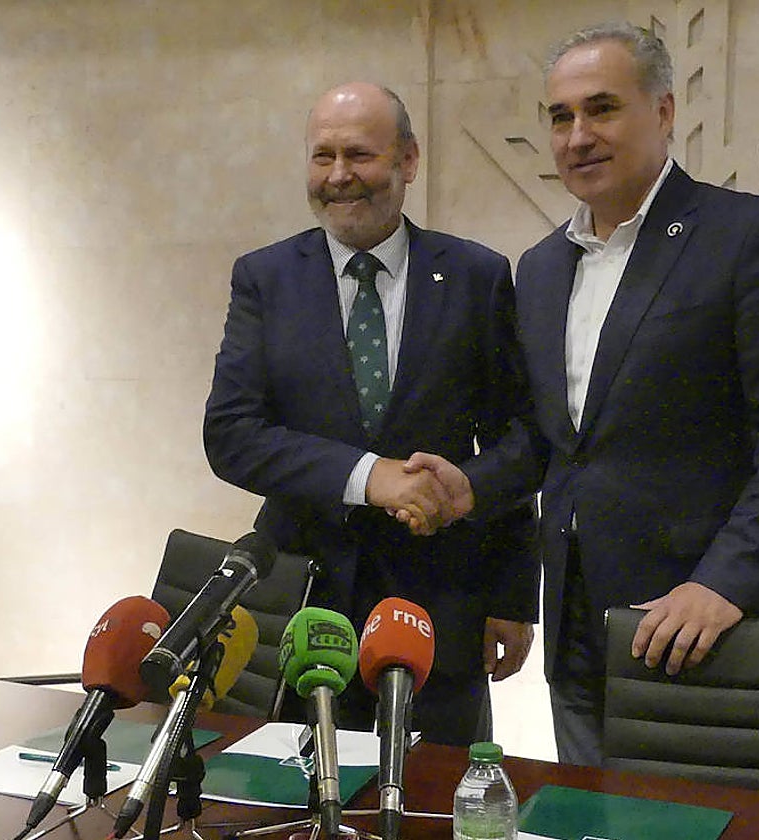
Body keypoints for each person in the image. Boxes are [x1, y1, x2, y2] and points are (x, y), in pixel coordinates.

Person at [409, 21, 759, 765]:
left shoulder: (748, 236)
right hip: (580, 632)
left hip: (711, 629)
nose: (578, 136)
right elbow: (555, 443)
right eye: (560, 117)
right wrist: (471, 487)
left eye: (602, 109)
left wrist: (725, 584)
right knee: (592, 813)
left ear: (664, 111)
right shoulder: (541, 268)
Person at [203, 82, 538, 746]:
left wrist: (511, 594)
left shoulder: (476, 275)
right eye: (321, 156)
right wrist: (368, 476)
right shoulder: (265, 278)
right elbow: (232, 434)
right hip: (305, 611)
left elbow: (520, 440)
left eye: (358, 154)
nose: (338, 175)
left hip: (440, 608)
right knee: (305, 786)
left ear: (408, 160)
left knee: (436, 791)